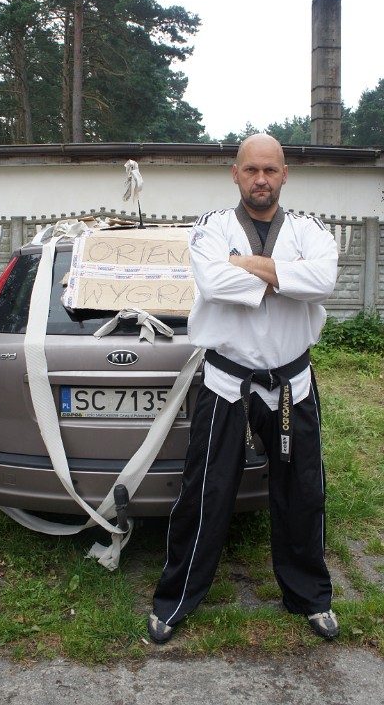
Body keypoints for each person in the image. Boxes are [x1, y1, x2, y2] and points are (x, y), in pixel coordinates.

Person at [148, 133, 340, 643]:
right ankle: (175, 599)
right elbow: (213, 285)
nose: (261, 179)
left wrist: (246, 265)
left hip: (292, 383)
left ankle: (310, 597)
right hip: (227, 380)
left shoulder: (310, 228)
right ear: (235, 174)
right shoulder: (211, 227)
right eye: (251, 169)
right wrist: (286, 278)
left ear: (284, 174)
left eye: (270, 170)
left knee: (303, 491)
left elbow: (323, 282)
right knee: (206, 490)